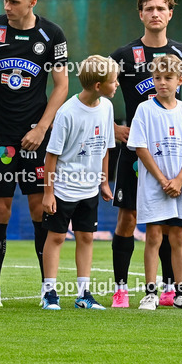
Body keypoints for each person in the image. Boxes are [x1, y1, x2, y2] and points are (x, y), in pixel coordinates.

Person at [0, 0, 69, 307]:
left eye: (14, 1)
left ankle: (48, 288)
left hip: (34, 135)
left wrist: (42, 128)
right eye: (5, 0)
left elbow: (61, 85)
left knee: (41, 208)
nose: (7, 6)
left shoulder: (52, 35)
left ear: (32, 2)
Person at [109, 0, 182, 308]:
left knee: (169, 222)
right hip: (134, 152)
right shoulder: (123, 55)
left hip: (171, 154)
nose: (155, 13)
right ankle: (121, 288)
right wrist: (112, 128)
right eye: (148, 8)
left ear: (169, 13)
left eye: (160, 8)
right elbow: (94, 92)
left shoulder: (181, 53)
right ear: (140, 14)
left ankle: (169, 290)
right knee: (128, 218)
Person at [127, 54, 182, 311]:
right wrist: (162, 180)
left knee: (178, 237)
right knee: (152, 237)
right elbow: (140, 147)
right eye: (158, 78)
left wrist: (180, 179)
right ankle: (150, 293)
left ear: (180, 81)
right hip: (154, 186)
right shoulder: (144, 109)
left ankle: (180, 293)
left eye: (168, 78)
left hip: (180, 186)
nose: (163, 83)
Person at [40, 56, 118, 310]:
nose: (116, 84)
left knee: (86, 237)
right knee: (57, 238)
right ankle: (49, 292)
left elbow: (106, 146)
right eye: (113, 81)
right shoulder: (67, 113)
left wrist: (104, 182)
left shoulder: (106, 107)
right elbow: (51, 156)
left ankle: (84, 294)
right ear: (98, 85)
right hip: (63, 188)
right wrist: (48, 193)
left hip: (90, 189)